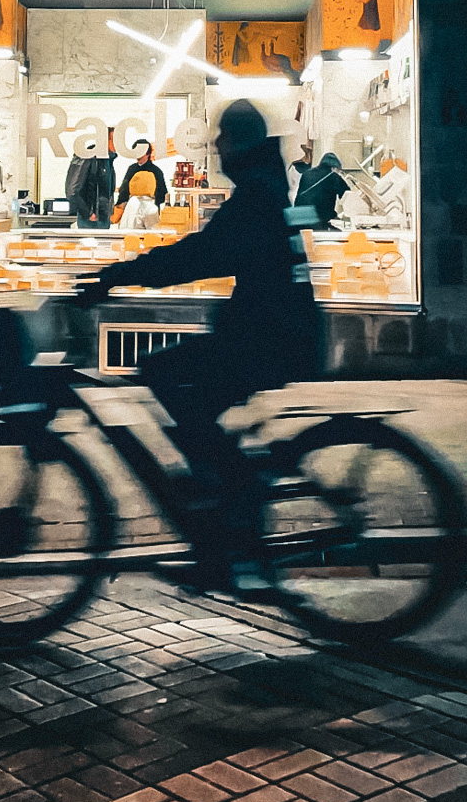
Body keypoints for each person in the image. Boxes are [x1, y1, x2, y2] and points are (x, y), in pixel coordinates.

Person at [79, 100, 321, 586]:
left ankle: (228, 505)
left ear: (240, 142)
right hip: (269, 332)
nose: (215, 145)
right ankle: (225, 495)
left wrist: (117, 275)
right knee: (184, 393)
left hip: (267, 339)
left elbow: (200, 256)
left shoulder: (256, 195)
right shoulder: (267, 186)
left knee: (163, 374)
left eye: (222, 137)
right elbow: (207, 253)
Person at [113, 138, 167, 221]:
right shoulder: (131, 168)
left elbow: (162, 192)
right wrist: (120, 204)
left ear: (148, 153)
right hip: (132, 207)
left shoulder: (156, 171)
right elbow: (124, 189)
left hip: (150, 208)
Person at [65, 138, 113, 229]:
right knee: (90, 242)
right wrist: (88, 213)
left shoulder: (105, 160)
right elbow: (72, 191)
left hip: (101, 217)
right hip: (92, 220)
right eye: (113, 139)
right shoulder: (89, 157)